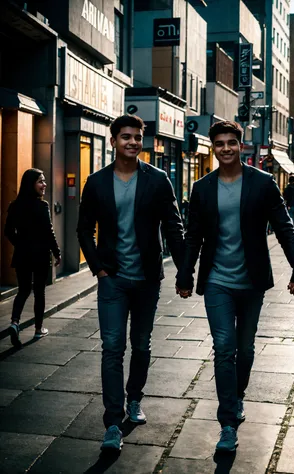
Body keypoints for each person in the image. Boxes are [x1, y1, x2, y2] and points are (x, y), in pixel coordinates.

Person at [176, 121, 294, 452]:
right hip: (217, 280)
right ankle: (228, 422)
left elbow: (284, 228)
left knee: (245, 350)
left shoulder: (262, 184)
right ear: (213, 146)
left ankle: (237, 396)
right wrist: (185, 273)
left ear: (241, 145)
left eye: (231, 142)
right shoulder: (203, 187)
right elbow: (193, 235)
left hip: (251, 282)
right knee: (224, 348)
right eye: (219, 143)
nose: (225, 148)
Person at [77, 114, 184, 452]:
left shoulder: (158, 179)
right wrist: (98, 268)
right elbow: (83, 229)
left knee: (141, 344)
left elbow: (173, 227)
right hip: (113, 280)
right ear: (113, 141)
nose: (133, 142)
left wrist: (185, 270)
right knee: (112, 348)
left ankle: (135, 399)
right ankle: (112, 421)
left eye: (137, 137)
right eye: (126, 137)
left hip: (147, 280)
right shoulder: (96, 182)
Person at [4, 169, 61, 346]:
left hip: (22, 255)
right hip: (40, 255)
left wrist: (20, 244)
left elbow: (8, 232)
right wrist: (56, 252)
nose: (44, 185)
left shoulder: (15, 205)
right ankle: (38, 329)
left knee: (23, 290)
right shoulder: (42, 206)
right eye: (40, 182)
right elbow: (49, 232)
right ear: (31, 184)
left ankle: (15, 322)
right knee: (39, 292)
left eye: (44, 181)